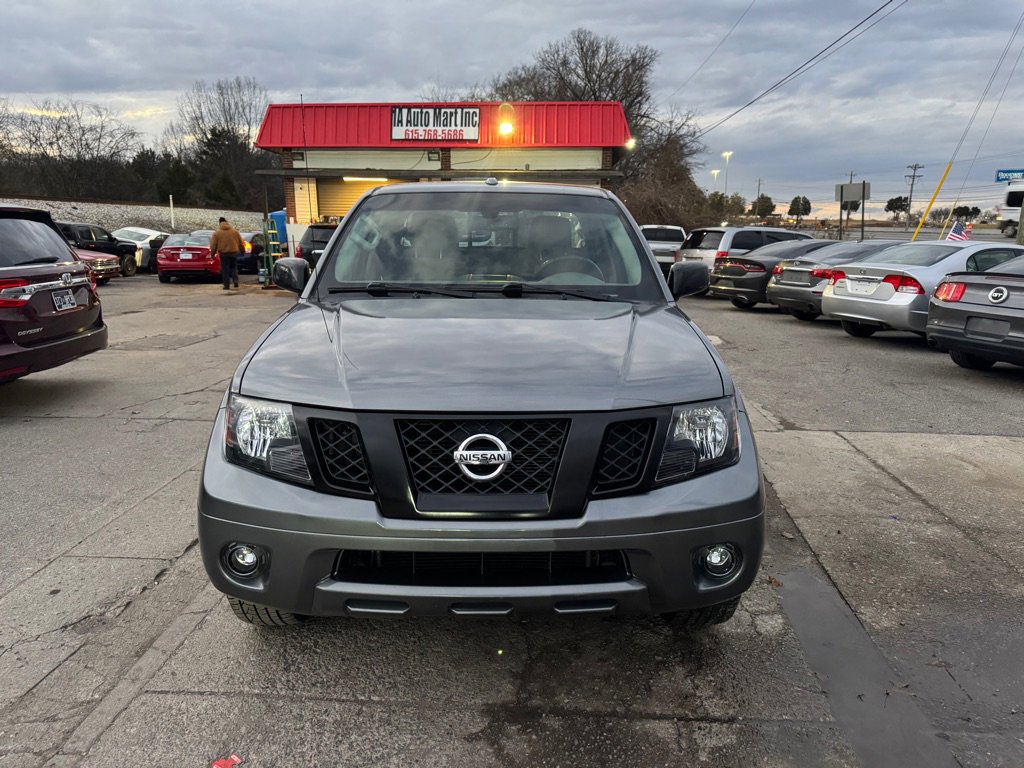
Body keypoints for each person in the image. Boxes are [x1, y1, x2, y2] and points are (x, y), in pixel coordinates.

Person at [209, 217, 245, 290]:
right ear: (227, 222)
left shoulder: (217, 233)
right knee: (234, 267)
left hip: (223, 254)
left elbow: (214, 245)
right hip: (234, 252)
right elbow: (241, 243)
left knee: (225, 270)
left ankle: (226, 285)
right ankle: (235, 280)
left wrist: (212, 254)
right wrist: (242, 251)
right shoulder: (235, 232)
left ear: (219, 223)